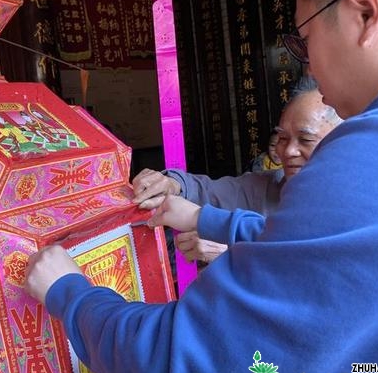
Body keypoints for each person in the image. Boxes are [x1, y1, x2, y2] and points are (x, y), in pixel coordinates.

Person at [24, 0, 378, 373]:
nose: (308, 63)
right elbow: (345, 250)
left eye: (304, 39)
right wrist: (205, 218)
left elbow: (195, 359)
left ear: (364, 10)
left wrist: (69, 293)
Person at [132, 77, 341, 264]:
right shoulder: (264, 187)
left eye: (305, 140)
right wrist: (173, 184)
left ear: (344, 141)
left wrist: (236, 255)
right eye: (283, 138)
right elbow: (208, 191)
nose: (289, 151)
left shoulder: (358, 208)